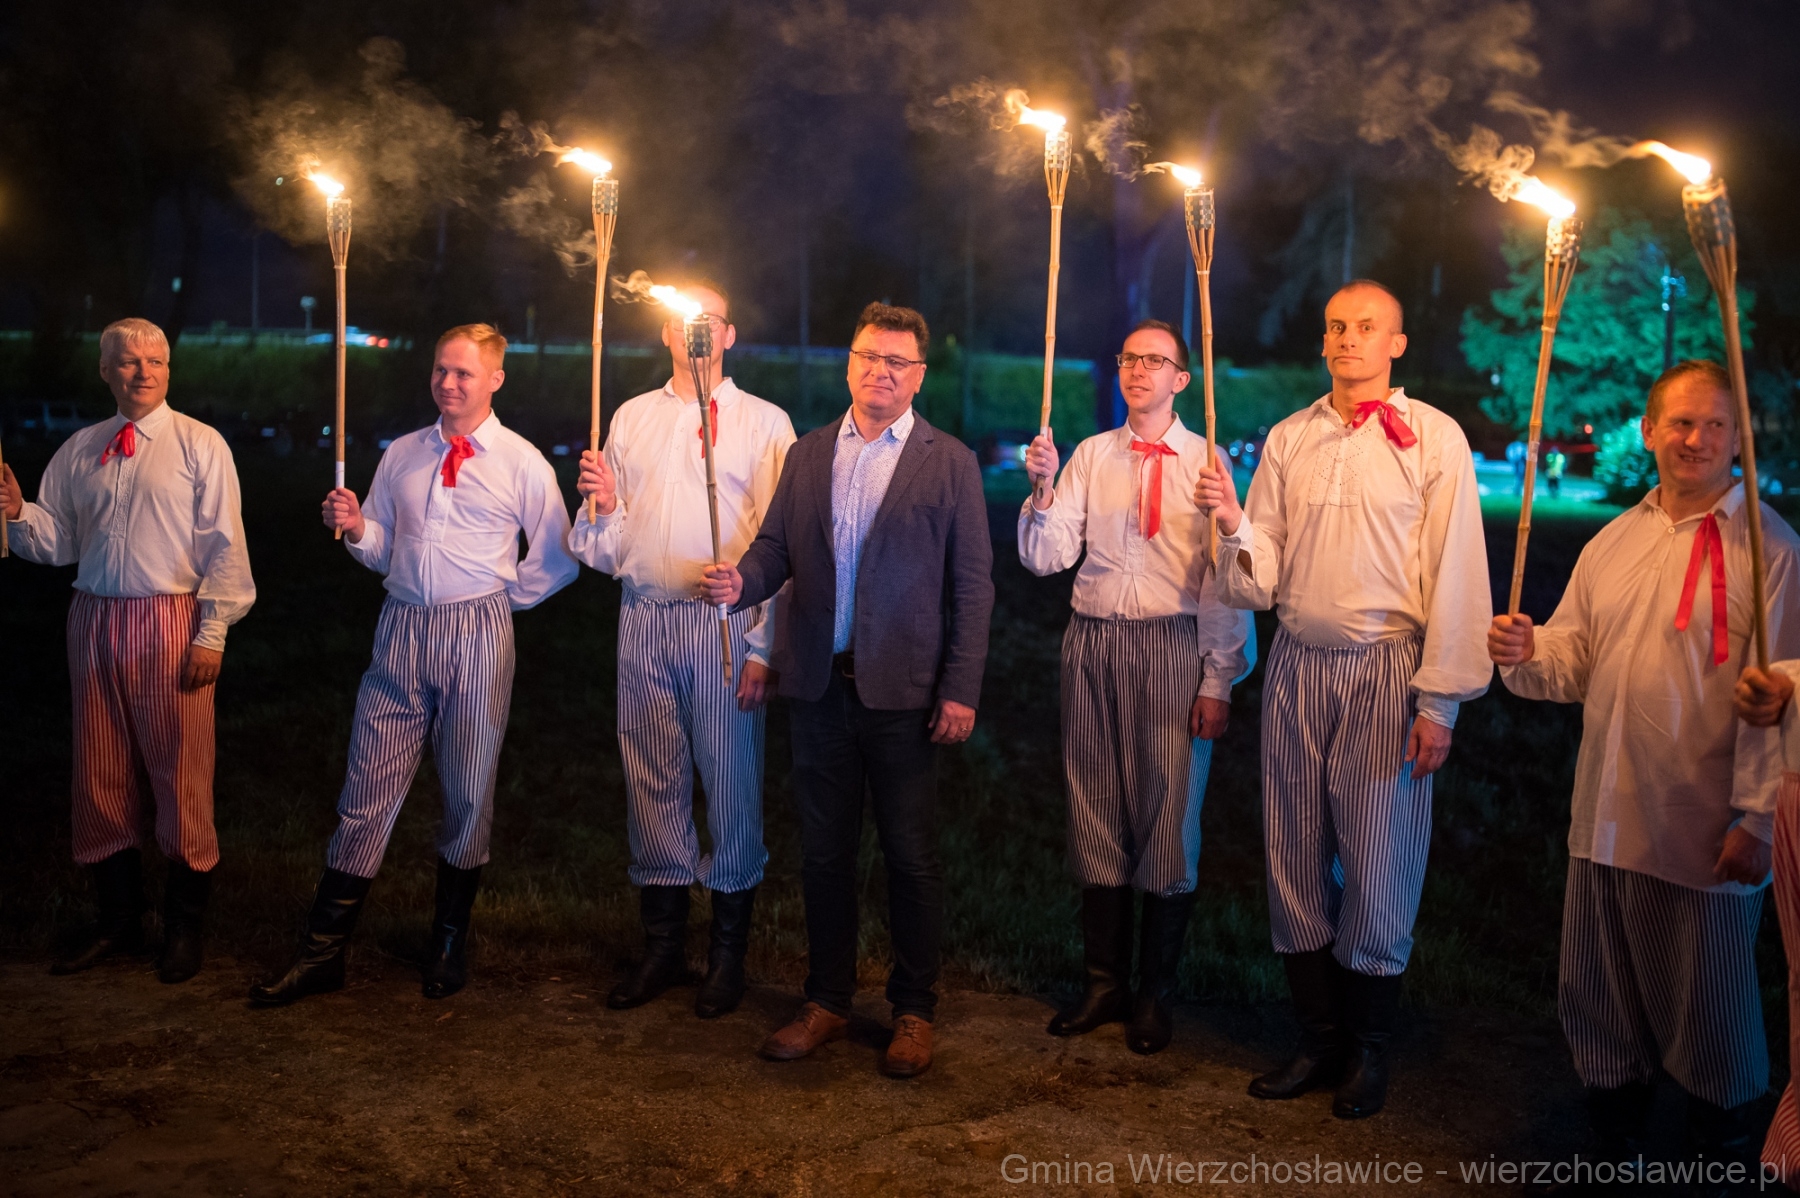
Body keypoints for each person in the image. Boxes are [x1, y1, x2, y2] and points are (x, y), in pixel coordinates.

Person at [1491, 360, 1800, 1180]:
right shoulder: (1615, 539)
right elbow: (1576, 658)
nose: (1696, 439)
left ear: (1739, 438)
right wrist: (1527, 650)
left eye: (1715, 425)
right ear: (1649, 430)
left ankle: (1716, 1160)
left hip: (1702, 825)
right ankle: (1615, 1150)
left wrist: (1757, 820)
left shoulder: (1769, 549)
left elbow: (1786, 693)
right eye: (1681, 423)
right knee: (1600, 999)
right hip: (1606, 813)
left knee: (1710, 1014)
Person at [1194, 280, 1491, 1120]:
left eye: (1366, 327)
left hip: (1386, 668)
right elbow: (1261, 576)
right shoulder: (1291, 437)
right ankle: (1317, 1037)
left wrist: (1440, 701)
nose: (1347, 338)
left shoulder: (1434, 437)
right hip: (1298, 664)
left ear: (1396, 344)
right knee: (1291, 851)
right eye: (1335, 326)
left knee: (1378, 857)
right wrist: (1233, 523)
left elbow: (1459, 569)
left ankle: (1369, 1046)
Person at [700, 302, 993, 1079]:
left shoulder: (949, 462)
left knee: (910, 859)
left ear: (918, 376)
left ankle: (913, 1010)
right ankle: (827, 999)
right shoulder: (810, 453)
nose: (880, 372)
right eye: (868, 357)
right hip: (820, 686)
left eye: (897, 362)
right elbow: (774, 549)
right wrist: (741, 581)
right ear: (850, 364)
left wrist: (960, 688)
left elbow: (973, 587)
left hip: (905, 693)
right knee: (824, 855)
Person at [250, 323, 578, 1006]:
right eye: (440, 370)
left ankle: (449, 941)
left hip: (477, 632)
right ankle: (322, 951)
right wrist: (356, 526)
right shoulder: (404, 453)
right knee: (366, 784)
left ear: (495, 379)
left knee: (467, 789)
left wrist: (495, 600)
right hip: (400, 627)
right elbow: (381, 548)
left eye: (463, 373)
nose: (447, 383)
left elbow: (556, 559)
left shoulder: (521, 463)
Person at [1018, 319, 1254, 1055]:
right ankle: (1103, 984)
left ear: (1181, 379)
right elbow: (1047, 558)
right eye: (1129, 358)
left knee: (1168, 814)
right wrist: (1043, 491)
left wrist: (1218, 679)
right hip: (1093, 641)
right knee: (1094, 804)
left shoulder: (1206, 462)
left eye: (1155, 360)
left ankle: (1155, 993)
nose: (1138, 370)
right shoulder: (1093, 454)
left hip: (1169, 643)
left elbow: (1223, 580)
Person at [2, 318, 254, 985]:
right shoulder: (82, 448)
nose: (143, 372)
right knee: (100, 770)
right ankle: (118, 919)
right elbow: (60, 541)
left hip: (169, 618)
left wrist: (212, 632)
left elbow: (225, 544)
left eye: (155, 361)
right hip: (94, 617)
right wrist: (19, 511)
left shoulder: (199, 444)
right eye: (128, 361)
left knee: (180, 768)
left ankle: (184, 926)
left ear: (169, 369)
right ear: (105, 370)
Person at [570, 281, 795, 1018]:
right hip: (644, 617)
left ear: (728, 335)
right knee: (652, 779)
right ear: (667, 333)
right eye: (682, 321)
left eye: (709, 321)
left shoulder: (766, 423)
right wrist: (604, 505)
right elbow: (603, 549)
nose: (694, 333)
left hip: (722, 624)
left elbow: (785, 544)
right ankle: (664, 948)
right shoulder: (631, 416)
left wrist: (764, 647)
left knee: (730, 783)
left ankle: (727, 957)